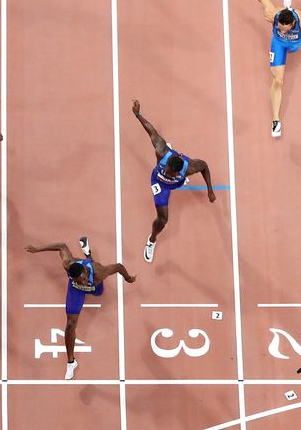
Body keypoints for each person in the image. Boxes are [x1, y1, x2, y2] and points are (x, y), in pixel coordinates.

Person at [26, 237, 136, 380]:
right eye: (79, 280)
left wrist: (128, 278)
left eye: (83, 279)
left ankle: (88, 254)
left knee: (98, 289)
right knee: (70, 325)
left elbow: (119, 267)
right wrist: (37, 250)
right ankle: (71, 362)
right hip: (75, 290)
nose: (83, 282)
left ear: (85, 270)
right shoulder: (68, 264)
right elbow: (61, 245)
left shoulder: (99, 272)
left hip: (94, 286)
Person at [132, 100, 216, 263]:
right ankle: (152, 240)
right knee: (163, 219)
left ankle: (179, 181)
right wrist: (138, 115)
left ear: (179, 170)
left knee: (180, 179)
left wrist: (210, 190)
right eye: (168, 169)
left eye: (171, 172)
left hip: (176, 182)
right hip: (159, 183)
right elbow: (151, 131)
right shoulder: (161, 152)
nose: (168, 171)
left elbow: (204, 166)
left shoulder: (190, 167)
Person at [255, 0, 301, 137]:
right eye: (280, 28)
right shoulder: (273, 14)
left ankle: (288, 6)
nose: (282, 31)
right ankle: (276, 120)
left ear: (293, 23)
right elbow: (262, 0)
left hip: (295, 45)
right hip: (279, 45)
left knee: (291, 50)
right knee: (278, 80)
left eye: (285, 29)